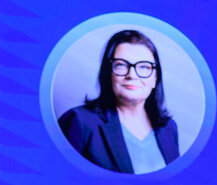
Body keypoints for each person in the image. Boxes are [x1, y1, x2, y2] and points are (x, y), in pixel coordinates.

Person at [59, 29, 179, 173]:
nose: (132, 75)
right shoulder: (78, 122)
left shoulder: (169, 128)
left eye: (144, 67)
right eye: (121, 65)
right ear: (108, 73)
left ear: (155, 78)